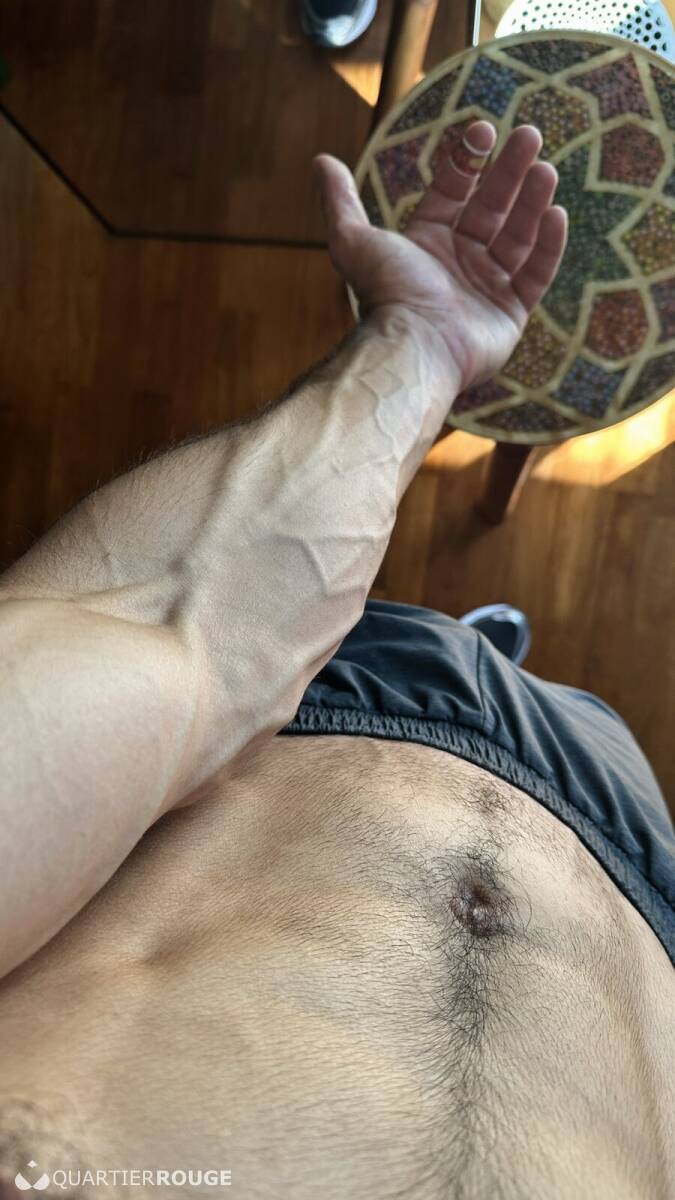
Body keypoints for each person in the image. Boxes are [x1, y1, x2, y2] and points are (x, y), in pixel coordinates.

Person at [0, 119, 672, 1199]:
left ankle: (435, 645)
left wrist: (417, 345)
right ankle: (479, 652)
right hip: (616, 830)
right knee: (553, 695)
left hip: (319, 723)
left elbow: (182, 631)